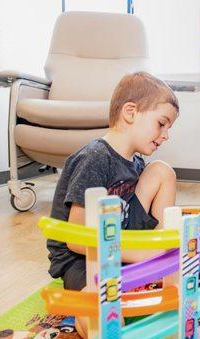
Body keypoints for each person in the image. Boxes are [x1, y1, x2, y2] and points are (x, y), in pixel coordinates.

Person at [47, 71, 179, 291]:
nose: (166, 135)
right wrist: (137, 254)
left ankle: (161, 249)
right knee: (104, 308)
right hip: (83, 257)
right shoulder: (95, 157)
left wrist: (146, 251)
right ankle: (149, 257)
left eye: (168, 128)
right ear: (130, 112)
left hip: (120, 240)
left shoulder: (137, 162)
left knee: (162, 171)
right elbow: (76, 240)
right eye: (161, 124)